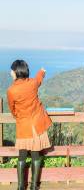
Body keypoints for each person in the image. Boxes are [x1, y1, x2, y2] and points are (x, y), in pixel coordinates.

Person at [7, 60, 52, 190]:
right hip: (38, 125)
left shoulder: (11, 91)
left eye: (11, 70)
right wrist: (42, 71)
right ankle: (34, 186)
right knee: (36, 156)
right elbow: (38, 79)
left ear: (16, 72)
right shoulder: (32, 83)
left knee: (21, 157)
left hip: (23, 126)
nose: (10, 72)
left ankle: (21, 186)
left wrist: (18, 117)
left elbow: (12, 108)